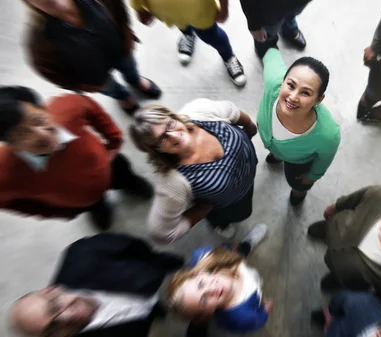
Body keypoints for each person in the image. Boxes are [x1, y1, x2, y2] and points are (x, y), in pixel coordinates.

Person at [0, 86, 152, 231]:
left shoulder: (68, 107)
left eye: (38, 120)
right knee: (93, 204)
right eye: (23, 134)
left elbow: (89, 107)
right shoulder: (5, 174)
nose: (42, 135)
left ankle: (131, 183)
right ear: (11, 144)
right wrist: (58, 212)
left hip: (110, 164)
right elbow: (9, 203)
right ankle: (98, 207)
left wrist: (114, 139)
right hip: (79, 200)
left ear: (44, 109)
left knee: (124, 175)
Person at [129, 99, 258, 243]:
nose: (174, 135)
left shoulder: (199, 111)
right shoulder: (172, 181)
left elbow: (232, 111)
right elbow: (161, 233)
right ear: (155, 150)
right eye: (161, 139)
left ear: (173, 116)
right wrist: (200, 211)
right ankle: (221, 224)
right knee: (235, 215)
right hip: (230, 203)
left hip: (248, 179)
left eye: (170, 125)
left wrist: (250, 126)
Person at [9, 233, 184, 337]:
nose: (67, 316)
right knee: (154, 311)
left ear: (51, 290)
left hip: (153, 271)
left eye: (55, 307)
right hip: (139, 322)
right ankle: (154, 310)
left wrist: (158, 260)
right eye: (53, 329)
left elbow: (134, 246)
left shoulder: (82, 253)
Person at [23, 0, 161, 115]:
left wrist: (126, 32)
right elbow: (49, 70)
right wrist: (78, 85)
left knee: (130, 67)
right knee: (111, 88)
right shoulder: (39, 39)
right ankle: (122, 95)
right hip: (94, 77)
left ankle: (135, 80)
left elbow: (118, 9)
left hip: (120, 50)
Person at [258, 48, 341, 205]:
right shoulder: (272, 82)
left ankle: (298, 193)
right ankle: (276, 155)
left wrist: (312, 176)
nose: (293, 97)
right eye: (290, 85)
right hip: (277, 148)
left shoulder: (328, 134)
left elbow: (324, 159)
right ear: (283, 80)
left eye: (305, 93)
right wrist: (268, 45)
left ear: (318, 100)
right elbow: (271, 55)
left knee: (297, 182)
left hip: (298, 163)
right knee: (276, 148)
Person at [166, 223, 270, 337]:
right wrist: (264, 311)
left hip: (235, 261)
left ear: (200, 273)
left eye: (201, 284)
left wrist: (230, 250)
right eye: (204, 300)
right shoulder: (243, 317)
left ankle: (248, 243)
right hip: (253, 289)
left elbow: (220, 251)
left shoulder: (205, 257)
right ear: (208, 313)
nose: (211, 289)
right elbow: (257, 321)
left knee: (240, 253)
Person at [130, 0, 246, 86]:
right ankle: (188, 35)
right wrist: (138, 8)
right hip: (168, 12)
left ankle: (228, 56)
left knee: (212, 35)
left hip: (200, 11)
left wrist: (224, 7)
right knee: (182, 26)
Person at [310, 291, 381, 337]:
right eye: (378, 335)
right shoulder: (363, 307)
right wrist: (330, 312)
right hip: (338, 323)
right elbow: (344, 297)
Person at [240, 0, 311, 58]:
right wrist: (254, 25)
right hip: (269, 9)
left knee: (291, 14)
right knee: (268, 33)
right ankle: (267, 45)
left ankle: (288, 26)